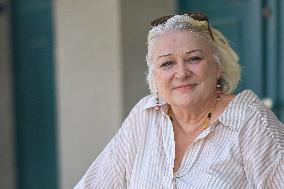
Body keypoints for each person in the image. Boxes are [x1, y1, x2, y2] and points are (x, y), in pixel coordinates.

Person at [75, 12, 284, 188]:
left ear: (218, 66)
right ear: (154, 76)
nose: (182, 73)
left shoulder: (252, 122)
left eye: (194, 59)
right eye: (167, 63)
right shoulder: (145, 115)